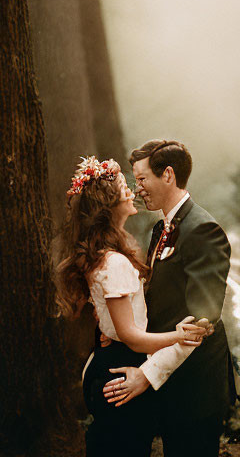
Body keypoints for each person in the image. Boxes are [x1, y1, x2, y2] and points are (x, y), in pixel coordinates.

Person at [56, 156, 208, 457]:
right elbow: (132, 336)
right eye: (127, 186)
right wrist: (178, 337)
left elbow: (118, 321)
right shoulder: (114, 262)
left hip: (111, 357)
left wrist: (112, 330)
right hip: (122, 366)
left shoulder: (109, 253)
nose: (133, 191)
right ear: (109, 203)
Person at [101, 140, 235, 457]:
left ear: (169, 175)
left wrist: (146, 376)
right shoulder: (161, 228)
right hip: (174, 385)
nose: (137, 189)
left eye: (142, 178)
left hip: (196, 389)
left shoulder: (203, 230)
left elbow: (201, 324)